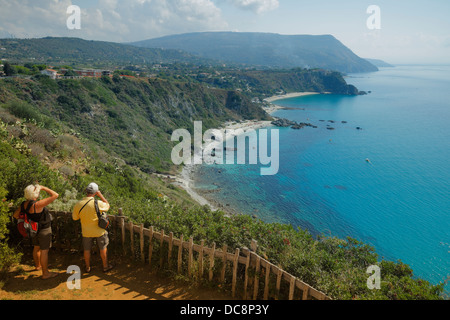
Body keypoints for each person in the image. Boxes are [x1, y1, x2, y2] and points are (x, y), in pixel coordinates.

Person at [13, 184, 59, 280]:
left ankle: (38, 266)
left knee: (36, 248)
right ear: (34, 194)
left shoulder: (24, 204)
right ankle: (45, 273)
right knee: (44, 251)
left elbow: (15, 215)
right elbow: (55, 195)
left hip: (33, 230)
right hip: (44, 230)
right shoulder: (37, 204)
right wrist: (43, 187)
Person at [72, 183, 114, 273]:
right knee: (102, 248)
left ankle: (87, 267)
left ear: (86, 191)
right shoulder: (97, 203)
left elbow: (75, 218)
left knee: (87, 250)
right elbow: (107, 205)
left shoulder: (78, 204)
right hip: (99, 231)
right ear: (95, 192)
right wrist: (100, 195)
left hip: (86, 231)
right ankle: (105, 266)